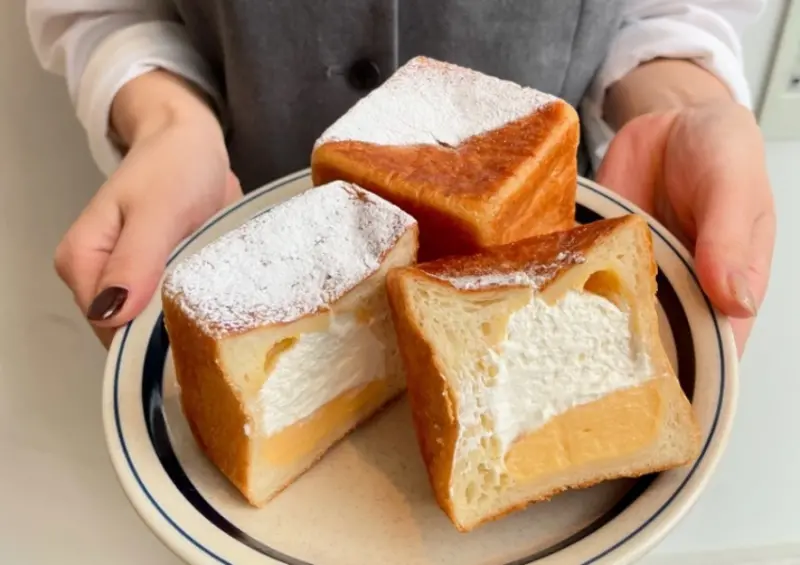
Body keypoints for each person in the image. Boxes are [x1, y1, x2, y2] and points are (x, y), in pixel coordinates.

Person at [26, 1, 775, 353]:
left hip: (552, 268)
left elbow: (672, 9)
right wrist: (167, 121)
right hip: (247, 246)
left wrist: (680, 100)